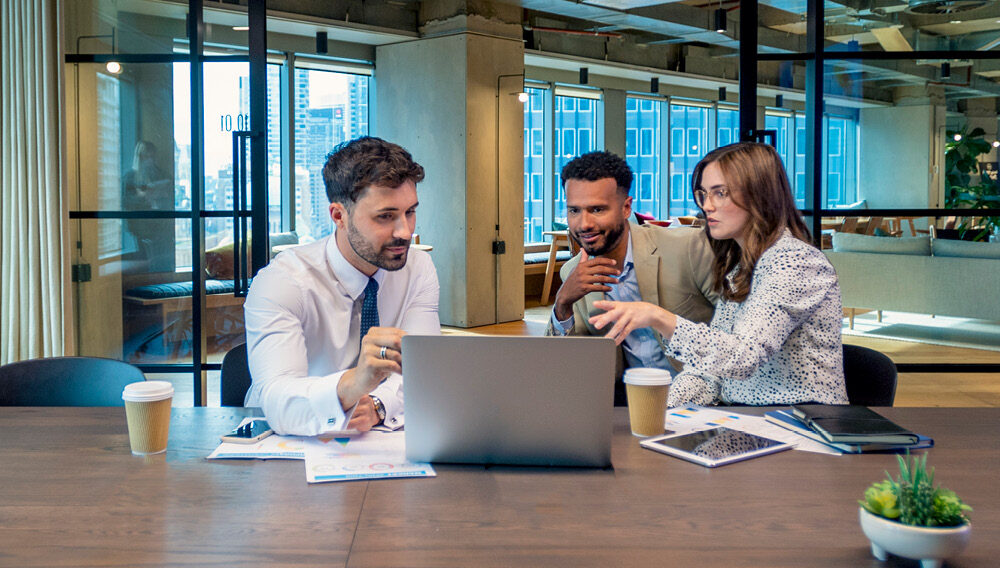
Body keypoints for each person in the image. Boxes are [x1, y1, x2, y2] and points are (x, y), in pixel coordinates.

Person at [588, 142, 848, 407]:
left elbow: (743, 357)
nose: (707, 206)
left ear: (760, 195)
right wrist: (657, 411)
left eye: (720, 193)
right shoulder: (740, 268)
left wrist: (659, 316)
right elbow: (710, 372)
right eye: (704, 194)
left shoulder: (795, 261)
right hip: (751, 422)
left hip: (803, 425)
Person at [243, 136, 440, 436]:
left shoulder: (418, 269)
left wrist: (377, 403)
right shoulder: (282, 283)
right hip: (289, 443)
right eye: (385, 216)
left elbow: (425, 371)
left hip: (377, 438)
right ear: (339, 216)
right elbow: (276, 397)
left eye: (410, 212)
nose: (405, 232)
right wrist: (352, 385)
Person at [545, 151, 718, 405]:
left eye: (597, 209)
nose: (584, 224)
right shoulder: (573, 271)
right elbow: (566, 367)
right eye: (574, 210)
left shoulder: (688, 247)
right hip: (633, 404)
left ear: (626, 207)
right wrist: (562, 304)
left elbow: (740, 331)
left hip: (708, 398)